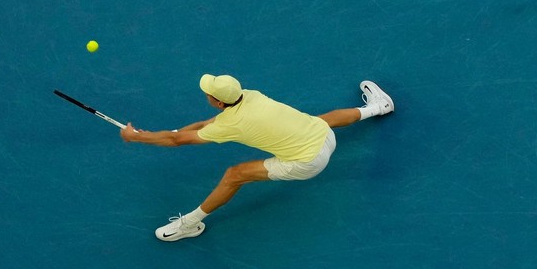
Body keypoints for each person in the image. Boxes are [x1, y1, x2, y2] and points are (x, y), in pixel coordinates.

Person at [120, 74, 394, 241]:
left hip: (307, 163)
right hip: (324, 136)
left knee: (234, 175)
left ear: (218, 101)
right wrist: (160, 133)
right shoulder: (248, 95)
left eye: (209, 93)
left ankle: (189, 225)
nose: (206, 93)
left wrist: (139, 137)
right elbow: (203, 125)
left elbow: (179, 141)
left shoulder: (231, 124)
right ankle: (379, 107)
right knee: (317, 121)